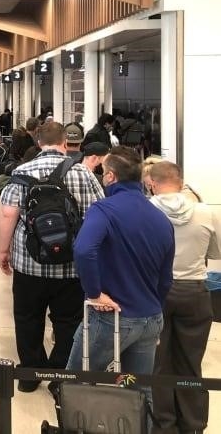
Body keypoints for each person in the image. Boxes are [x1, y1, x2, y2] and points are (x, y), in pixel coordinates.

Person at [0, 122, 104, 392]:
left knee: (27, 318)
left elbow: (8, 214)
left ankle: (30, 373)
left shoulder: (22, 172)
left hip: (29, 264)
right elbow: (99, 215)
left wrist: (3, 249)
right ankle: (61, 376)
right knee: (68, 321)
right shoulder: (83, 173)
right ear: (65, 143)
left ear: (38, 141)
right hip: (71, 266)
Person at [67, 147, 174, 377]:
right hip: (150, 318)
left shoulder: (103, 210)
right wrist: (156, 307)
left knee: (76, 382)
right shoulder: (161, 219)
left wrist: (94, 293)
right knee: (138, 390)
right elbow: (166, 278)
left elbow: (84, 250)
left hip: (112, 318)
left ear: (111, 176)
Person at [148, 162, 221, 434]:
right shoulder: (205, 212)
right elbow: (216, 253)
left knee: (158, 364)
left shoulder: (147, 210)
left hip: (157, 292)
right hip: (195, 292)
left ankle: (163, 425)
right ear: (181, 182)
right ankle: (192, 425)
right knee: (191, 362)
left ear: (152, 183)